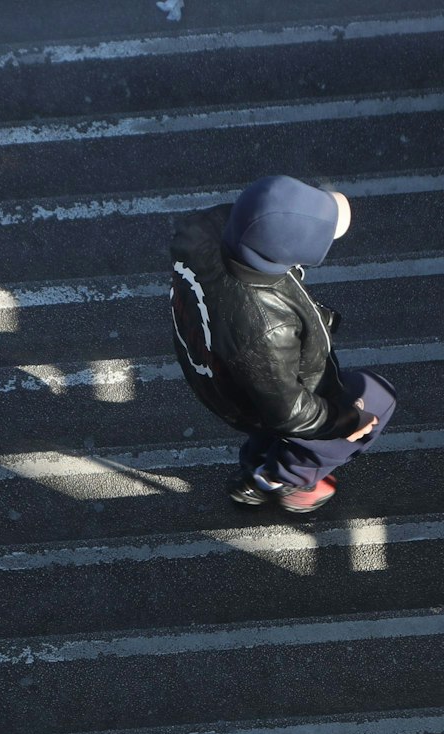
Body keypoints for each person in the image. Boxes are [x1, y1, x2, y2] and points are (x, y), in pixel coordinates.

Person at [168, 174, 396, 515]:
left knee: (265, 422)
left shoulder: (204, 226)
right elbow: (290, 413)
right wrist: (347, 420)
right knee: (379, 400)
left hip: (218, 370)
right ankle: (276, 479)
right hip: (258, 392)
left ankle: (258, 461)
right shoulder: (267, 330)